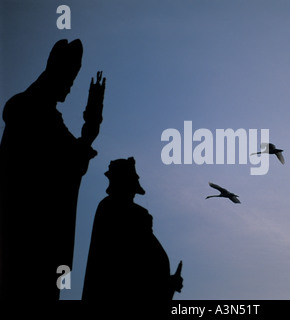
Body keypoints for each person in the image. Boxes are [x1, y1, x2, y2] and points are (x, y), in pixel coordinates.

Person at [0, 39, 105, 299]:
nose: (69, 89)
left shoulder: (49, 116)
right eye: (68, 81)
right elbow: (66, 160)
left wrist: (90, 127)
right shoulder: (27, 108)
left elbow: (74, 158)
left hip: (42, 236)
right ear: (54, 73)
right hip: (27, 231)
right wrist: (88, 131)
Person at [83, 157, 183, 302]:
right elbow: (129, 262)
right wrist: (165, 283)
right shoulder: (115, 209)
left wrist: (166, 282)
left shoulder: (134, 213)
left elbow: (146, 259)